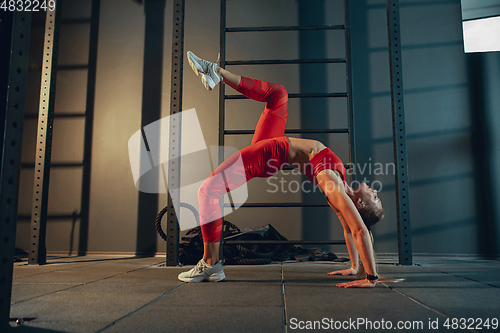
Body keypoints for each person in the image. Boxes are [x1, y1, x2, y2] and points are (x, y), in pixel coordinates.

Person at [178, 52, 384, 288]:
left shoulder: (333, 183)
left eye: (375, 199)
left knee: (208, 191)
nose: (376, 192)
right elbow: (349, 231)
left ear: (360, 204)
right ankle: (218, 74)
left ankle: (210, 264)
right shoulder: (341, 187)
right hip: (274, 152)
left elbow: (359, 230)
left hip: (270, 154)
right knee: (278, 94)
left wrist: (370, 278)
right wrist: (354, 267)